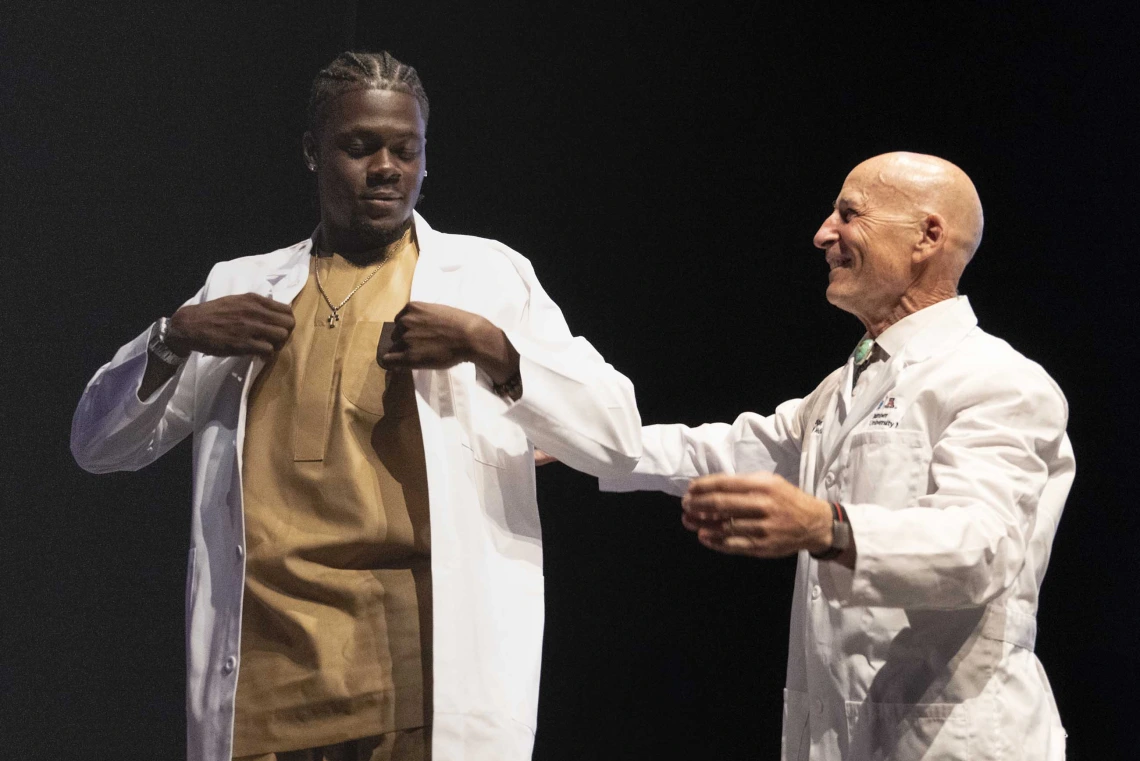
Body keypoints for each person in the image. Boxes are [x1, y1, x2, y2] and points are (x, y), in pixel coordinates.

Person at [71, 51, 641, 761]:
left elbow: (617, 436)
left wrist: (491, 347)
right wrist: (172, 337)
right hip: (263, 688)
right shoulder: (243, 287)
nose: (386, 168)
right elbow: (98, 445)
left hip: (415, 686)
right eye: (360, 147)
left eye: (407, 150)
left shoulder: (487, 278)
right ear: (313, 153)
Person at [596, 153, 1073, 760]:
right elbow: (724, 449)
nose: (823, 233)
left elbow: (982, 546)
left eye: (849, 214)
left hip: (958, 738)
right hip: (838, 736)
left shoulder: (999, 380)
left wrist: (828, 528)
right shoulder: (842, 386)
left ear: (928, 236)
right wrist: (578, 438)